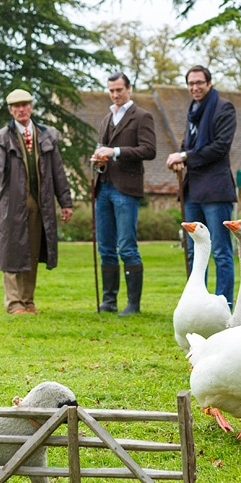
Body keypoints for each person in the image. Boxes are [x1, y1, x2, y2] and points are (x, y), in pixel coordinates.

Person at [0, 89, 74, 314]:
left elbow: (59, 172)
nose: (21, 110)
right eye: (16, 106)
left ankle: (28, 301)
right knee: (11, 252)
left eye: (25, 105)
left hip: (41, 205)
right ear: (10, 110)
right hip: (11, 206)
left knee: (32, 252)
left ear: (31, 107)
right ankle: (13, 303)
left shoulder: (47, 136)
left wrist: (65, 202)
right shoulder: (1, 138)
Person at [166, 65, 237, 306]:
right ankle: (197, 305)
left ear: (209, 83)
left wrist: (184, 157)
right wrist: (180, 158)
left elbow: (220, 147)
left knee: (220, 252)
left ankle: (224, 305)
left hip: (216, 191)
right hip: (192, 190)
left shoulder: (223, 108)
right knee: (193, 251)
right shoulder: (193, 110)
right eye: (190, 83)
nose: (195, 87)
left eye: (199, 82)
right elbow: (189, 145)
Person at [91, 72, 157, 316]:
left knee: (127, 246)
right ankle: (109, 301)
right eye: (111, 90)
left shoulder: (142, 116)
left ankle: (133, 304)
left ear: (129, 88)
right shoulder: (107, 118)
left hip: (126, 189)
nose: (115, 94)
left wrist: (116, 151)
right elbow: (103, 149)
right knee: (105, 246)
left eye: (119, 89)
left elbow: (149, 150)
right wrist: (99, 158)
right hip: (104, 186)